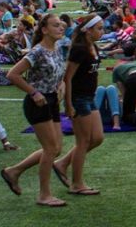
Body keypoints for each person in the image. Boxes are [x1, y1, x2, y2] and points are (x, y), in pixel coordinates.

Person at [0, 13, 69, 208]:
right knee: (50, 149)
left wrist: (61, 85)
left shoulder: (57, 49)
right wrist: (33, 92)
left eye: (61, 25)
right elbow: (13, 74)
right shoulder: (37, 51)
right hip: (38, 102)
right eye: (56, 25)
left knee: (56, 149)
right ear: (44, 29)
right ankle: (44, 194)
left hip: (52, 100)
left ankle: (14, 171)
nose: (61, 28)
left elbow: (58, 73)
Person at [54, 15, 105, 197]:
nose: (102, 31)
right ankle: (77, 183)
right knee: (83, 141)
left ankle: (62, 163)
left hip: (89, 96)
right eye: (99, 28)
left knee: (97, 138)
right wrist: (68, 104)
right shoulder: (79, 49)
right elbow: (67, 77)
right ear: (88, 30)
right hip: (79, 97)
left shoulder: (94, 47)